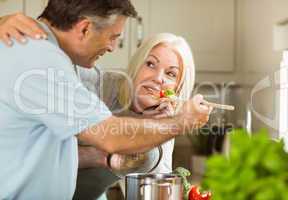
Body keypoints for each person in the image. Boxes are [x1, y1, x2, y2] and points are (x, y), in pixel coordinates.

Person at [0, 1, 211, 199]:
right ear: (85, 29)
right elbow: (110, 135)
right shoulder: (46, 63)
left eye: (171, 74)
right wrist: (181, 122)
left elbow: (49, 149)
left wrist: (106, 158)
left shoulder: (54, 59)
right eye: (113, 36)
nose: (112, 47)